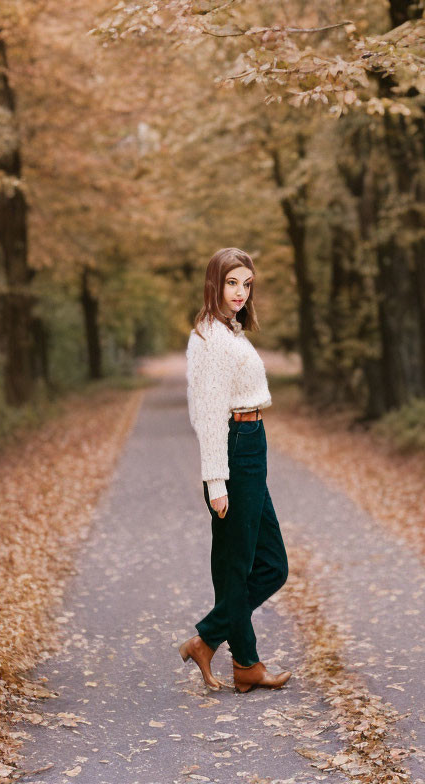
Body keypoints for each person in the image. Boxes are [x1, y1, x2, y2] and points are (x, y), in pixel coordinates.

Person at [178, 247, 291, 694]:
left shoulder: (230, 331)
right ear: (214, 283)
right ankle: (243, 661)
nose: (241, 291)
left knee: (271, 564)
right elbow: (206, 413)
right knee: (237, 563)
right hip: (234, 445)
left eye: (246, 283)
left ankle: (212, 642)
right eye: (231, 282)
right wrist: (216, 480)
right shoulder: (209, 337)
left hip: (251, 442)